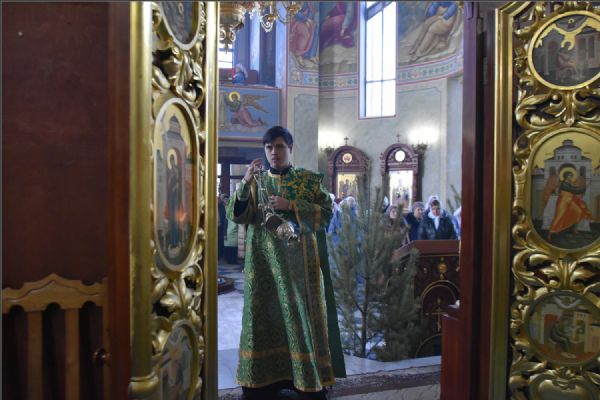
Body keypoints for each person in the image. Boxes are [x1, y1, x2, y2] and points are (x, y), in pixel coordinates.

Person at [226, 126, 345, 400]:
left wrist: (290, 204)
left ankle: (305, 379)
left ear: (290, 148)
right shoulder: (254, 181)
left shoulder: (308, 181)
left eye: (280, 147)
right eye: (269, 148)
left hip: (298, 269)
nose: (274, 152)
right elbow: (236, 215)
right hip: (262, 267)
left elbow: (326, 214)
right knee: (262, 319)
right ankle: (260, 382)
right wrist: (244, 183)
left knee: (298, 317)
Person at [547, 169, 594, 241]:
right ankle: (550, 233)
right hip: (563, 202)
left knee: (578, 212)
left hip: (570, 201)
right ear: (567, 177)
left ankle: (573, 228)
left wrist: (584, 186)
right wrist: (585, 187)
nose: (572, 178)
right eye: (570, 176)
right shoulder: (564, 184)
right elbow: (576, 191)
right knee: (559, 217)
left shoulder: (568, 184)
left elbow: (575, 188)